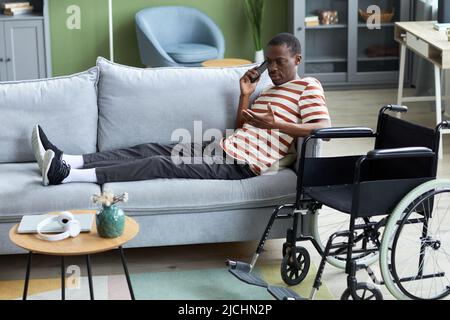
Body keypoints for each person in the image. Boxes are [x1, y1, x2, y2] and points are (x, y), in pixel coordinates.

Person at [32, 33, 331, 186]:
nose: (274, 68)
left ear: (298, 60)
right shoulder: (266, 91)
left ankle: (66, 175)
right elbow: (243, 129)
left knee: (158, 164)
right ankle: (70, 158)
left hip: (243, 165)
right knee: (149, 149)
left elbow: (323, 131)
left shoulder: (308, 87)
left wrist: (275, 126)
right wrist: (245, 95)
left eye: (281, 61)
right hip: (224, 146)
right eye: (270, 61)